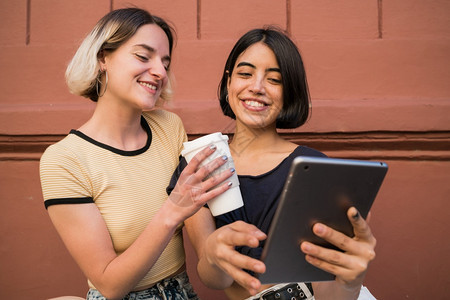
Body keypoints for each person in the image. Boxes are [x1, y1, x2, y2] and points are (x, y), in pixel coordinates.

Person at [39, 8, 234, 300]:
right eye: (143, 57)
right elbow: (110, 285)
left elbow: (198, 223)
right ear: (102, 58)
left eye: (165, 62)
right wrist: (173, 210)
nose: (160, 72)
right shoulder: (64, 160)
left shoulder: (169, 127)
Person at [170, 27, 377, 299]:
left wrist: (350, 281)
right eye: (245, 74)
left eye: (275, 80)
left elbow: (330, 292)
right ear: (229, 81)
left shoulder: (313, 168)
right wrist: (212, 252)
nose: (256, 87)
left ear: (289, 92)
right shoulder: (199, 167)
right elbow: (215, 279)